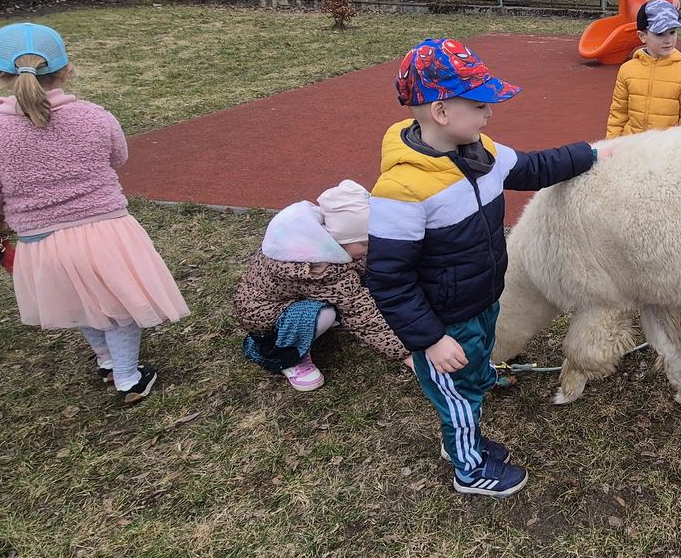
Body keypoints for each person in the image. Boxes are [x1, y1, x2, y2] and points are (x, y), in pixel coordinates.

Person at [367, 38, 598, 498]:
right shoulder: (401, 190)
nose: (489, 113)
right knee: (458, 395)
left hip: (481, 300)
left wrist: (592, 154)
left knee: (472, 377)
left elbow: (534, 168)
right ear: (441, 111)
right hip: (443, 321)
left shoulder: (482, 153)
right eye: (478, 105)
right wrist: (430, 340)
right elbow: (389, 279)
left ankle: (463, 438)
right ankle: (468, 469)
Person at [0, 22, 187, 402]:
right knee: (120, 305)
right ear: (66, 70)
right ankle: (127, 376)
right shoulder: (94, 116)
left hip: (40, 239)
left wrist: (13, 204)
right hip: (106, 230)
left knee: (78, 302)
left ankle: (107, 360)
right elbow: (118, 156)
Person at [235, 179, 410, 391]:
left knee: (358, 281)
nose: (370, 248)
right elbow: (361, 314)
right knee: (324, 313)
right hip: (267, 321)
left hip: (278, 300)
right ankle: (287, 355)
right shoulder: (319, 269)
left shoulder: (317, 240)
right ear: (341, 238)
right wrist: (406, 353)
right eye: (365, 243)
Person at [605, 0, 681, 137]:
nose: (668, 40)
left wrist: (680, 146)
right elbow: (618, 114)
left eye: (672, 32)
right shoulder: (627, 70)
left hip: (666, 147)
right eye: (660, 34)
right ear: (642, 36)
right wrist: (612, 143)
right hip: (632, 144)